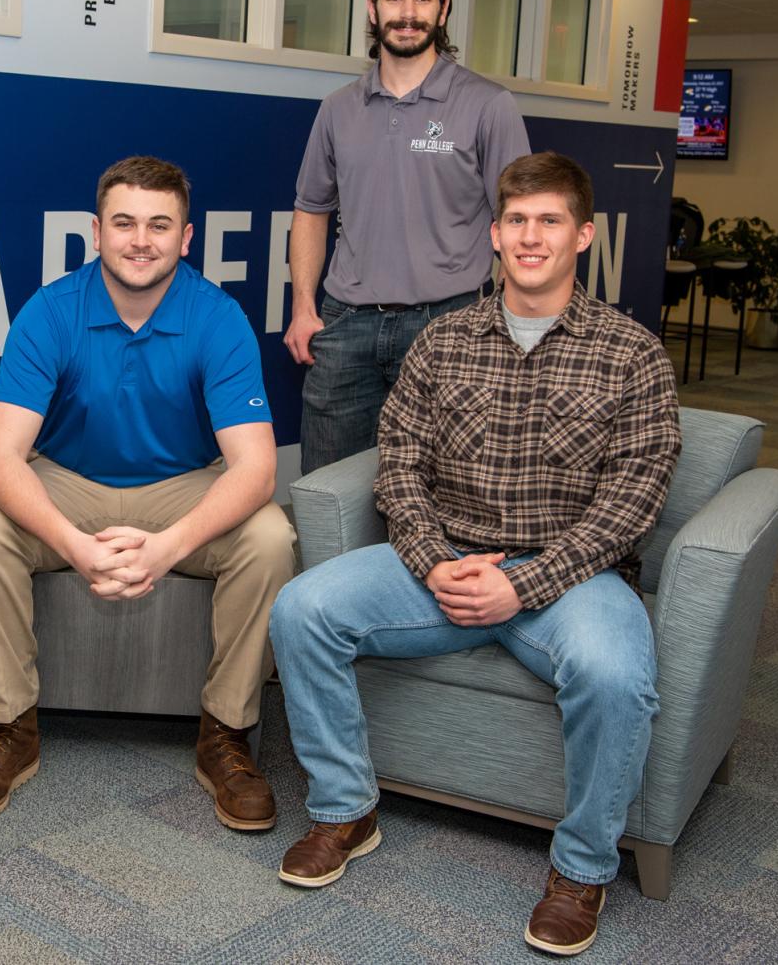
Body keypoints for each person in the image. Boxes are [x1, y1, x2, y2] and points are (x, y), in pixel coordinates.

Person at [270, 152, 681, 957]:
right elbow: (401, 463)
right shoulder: (443, 341)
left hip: (573, 578)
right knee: (300, 609)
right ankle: (345, 807)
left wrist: (523, 585)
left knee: (615, 674)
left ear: (583, 235)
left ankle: (583, 866)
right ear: (494, 234)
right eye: (518, 221)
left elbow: (632, 501)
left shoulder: (632, 353)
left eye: (550, 221)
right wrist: (429, 560)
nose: (532, 237)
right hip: (443, 562)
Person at [0, 155, 296, 832]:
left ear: (186, 237)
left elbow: (253, 468)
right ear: (96, 232)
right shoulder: (52, 310)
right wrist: (75, 545)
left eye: (160, 225)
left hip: (180, 485)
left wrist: (166, 548)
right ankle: (9, 727)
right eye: (125, 222)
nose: (141, 239)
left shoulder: (217, 317)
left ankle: (225, 733)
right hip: (72, 479)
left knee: (271, 537)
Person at [285, 0, 531, 474]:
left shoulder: (488, 105)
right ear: (372, 9)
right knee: (327, 491)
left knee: (447, 489)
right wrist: (304, 307)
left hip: (449, 323)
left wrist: (515, 321)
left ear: (443, 11)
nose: (408, 13)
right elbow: (310, 210)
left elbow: (519, 222)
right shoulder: (337, 109)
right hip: (345, 326)